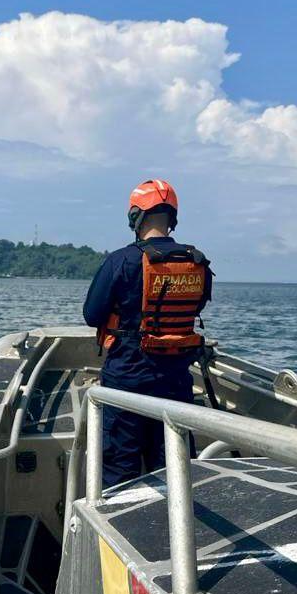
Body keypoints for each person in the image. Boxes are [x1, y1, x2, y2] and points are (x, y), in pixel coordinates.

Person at [82, 179, 213, 488]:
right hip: (176, 380)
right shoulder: (197, 263)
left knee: (119, 469)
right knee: (173, 468)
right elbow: (196, 308)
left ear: (135, 216)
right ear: (172, 217)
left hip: (127, 378)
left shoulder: (120, 261)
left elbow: (92, 315)